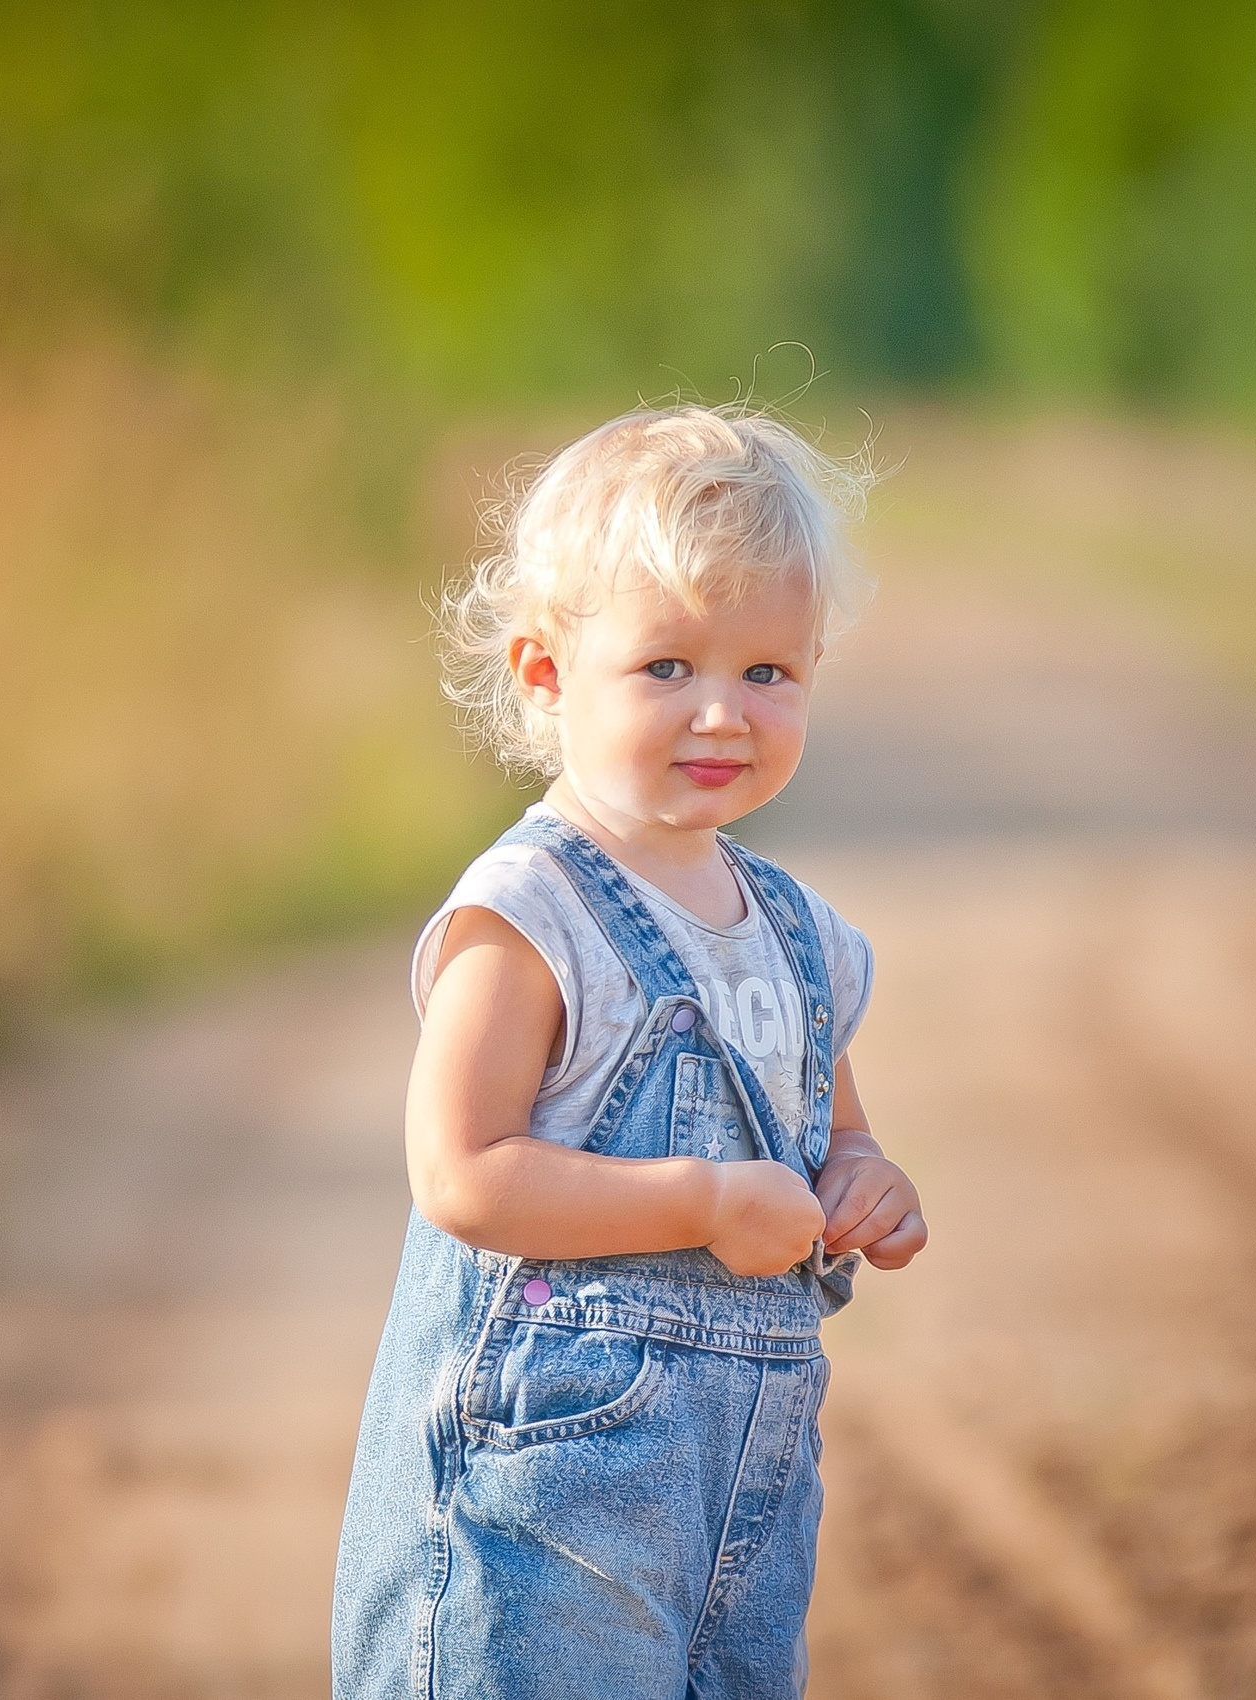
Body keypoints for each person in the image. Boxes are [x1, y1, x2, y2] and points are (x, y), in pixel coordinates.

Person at [332, 405, 927, 1699]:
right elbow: (466, 1176)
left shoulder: (797, 935)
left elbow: (840, 1133)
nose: (723, 711)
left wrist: (866, 1183)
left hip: (737, 1502)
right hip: (540, 1510)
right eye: (667, 668)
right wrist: (704, 1200)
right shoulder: (531, 912)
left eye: (770, 673)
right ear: (546, 672)